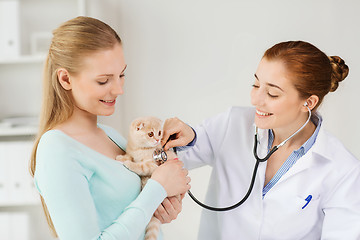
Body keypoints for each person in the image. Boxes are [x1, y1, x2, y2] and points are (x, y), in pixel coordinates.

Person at [162, 41, 360, 239]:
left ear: (308, 102)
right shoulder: (232, 124)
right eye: (255, 85)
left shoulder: (343, 170)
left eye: (272, 93)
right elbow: (169, 158)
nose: (255, 99)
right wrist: (182, 138)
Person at [29, 16, 190, 240]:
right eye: (104, 81)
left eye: (121, 75)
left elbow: (136, 210)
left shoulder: (111, 136)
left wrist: (162, 206)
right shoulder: (56, 150)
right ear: (66, 79)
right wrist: (157, 189)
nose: (118, 90)